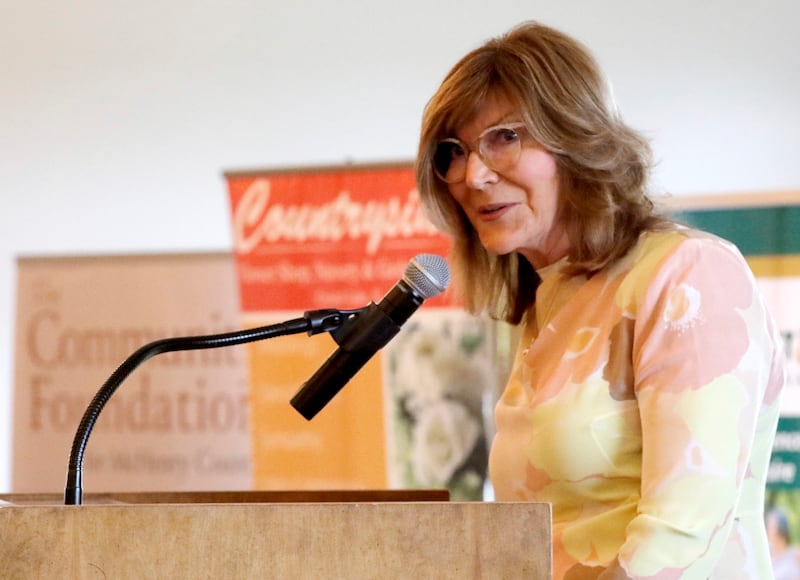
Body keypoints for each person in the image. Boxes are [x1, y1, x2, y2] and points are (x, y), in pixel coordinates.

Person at [414, 21, 786, 579]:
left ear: (577, 136)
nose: (474, 175)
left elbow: (683, 533)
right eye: (453, 152)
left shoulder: (685, 273)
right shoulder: (546, 302)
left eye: (505, 137)